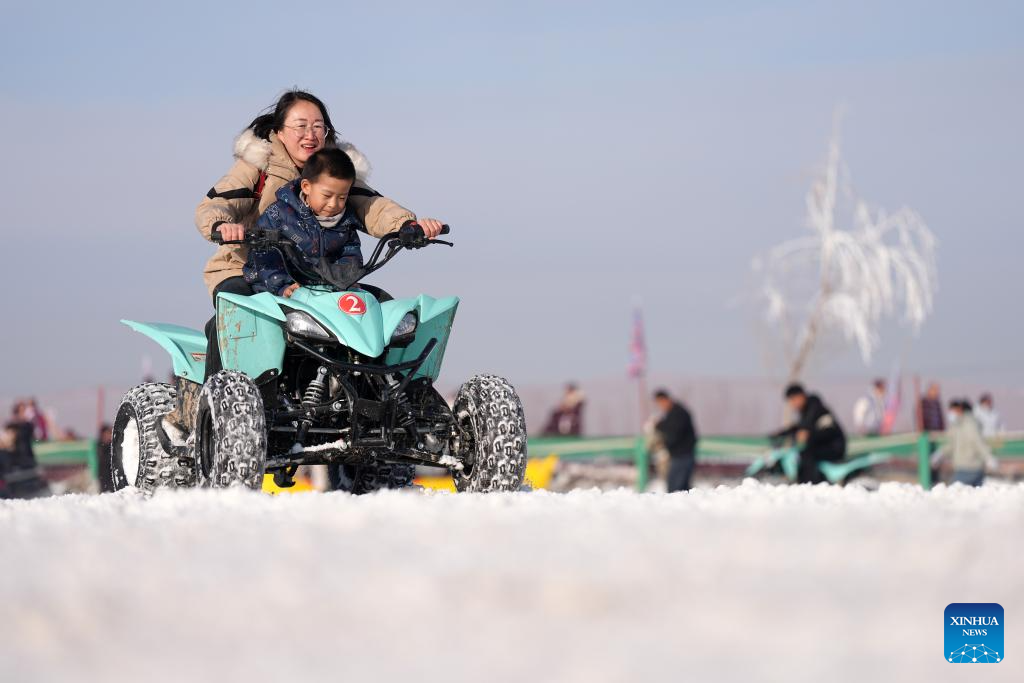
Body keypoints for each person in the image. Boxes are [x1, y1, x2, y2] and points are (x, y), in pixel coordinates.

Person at [195, 90, 446, 378]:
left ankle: (392, 395)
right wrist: (221, 225)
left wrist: (407, 225)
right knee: (238, 313)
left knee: (382, 311)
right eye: (300, 126)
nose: (310, 134)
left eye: (318, 126)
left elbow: (372, 206)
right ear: (279, 131)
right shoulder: (258, 164)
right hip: (249, 267)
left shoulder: (334, 171)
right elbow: (215, 204)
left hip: (317, 276)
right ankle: (216, 402)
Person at [244, 148, 369, 297]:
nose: (333, 204)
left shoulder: (346, 222)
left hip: (324, 290)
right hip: (274, 289)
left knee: (373, 302)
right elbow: (263, 255)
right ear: (306, 187)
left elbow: (350, 253)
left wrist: (346, 278)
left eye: (342, 197)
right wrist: (282, 286)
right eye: (327, 195)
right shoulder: (278, 214)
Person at [772, 383, 846, 484]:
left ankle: (810, 486)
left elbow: (829, 430)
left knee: (806, 453)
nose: (793, 404)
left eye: (794, 399)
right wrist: (781, 434)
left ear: (801, 396)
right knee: (802, 452)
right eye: (790, 401)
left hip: (834, 447)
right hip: (821, 446)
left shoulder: (817, 408)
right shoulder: (806, 412)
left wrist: (810, 435)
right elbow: (799, 428)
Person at [931, 399, 996, 487]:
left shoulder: (969, 424)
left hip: (970, 467)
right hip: (964, 467)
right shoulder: (957, 425)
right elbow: (951, 444)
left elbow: (977, 442)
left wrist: (988, 457)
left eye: (952, 411)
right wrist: (940, 454)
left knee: (954, 492)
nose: (950, 414)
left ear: (959, 410)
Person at [652, 389, 698, 492]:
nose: (660, 406)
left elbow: (674, 432)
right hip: (679, 455)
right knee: (681, 489)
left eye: (660, 403)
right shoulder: (673, 413)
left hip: (682, 456)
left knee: (675, 489)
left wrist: (659, 427)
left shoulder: (678, 413)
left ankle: (676, 507)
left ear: (665, 400)